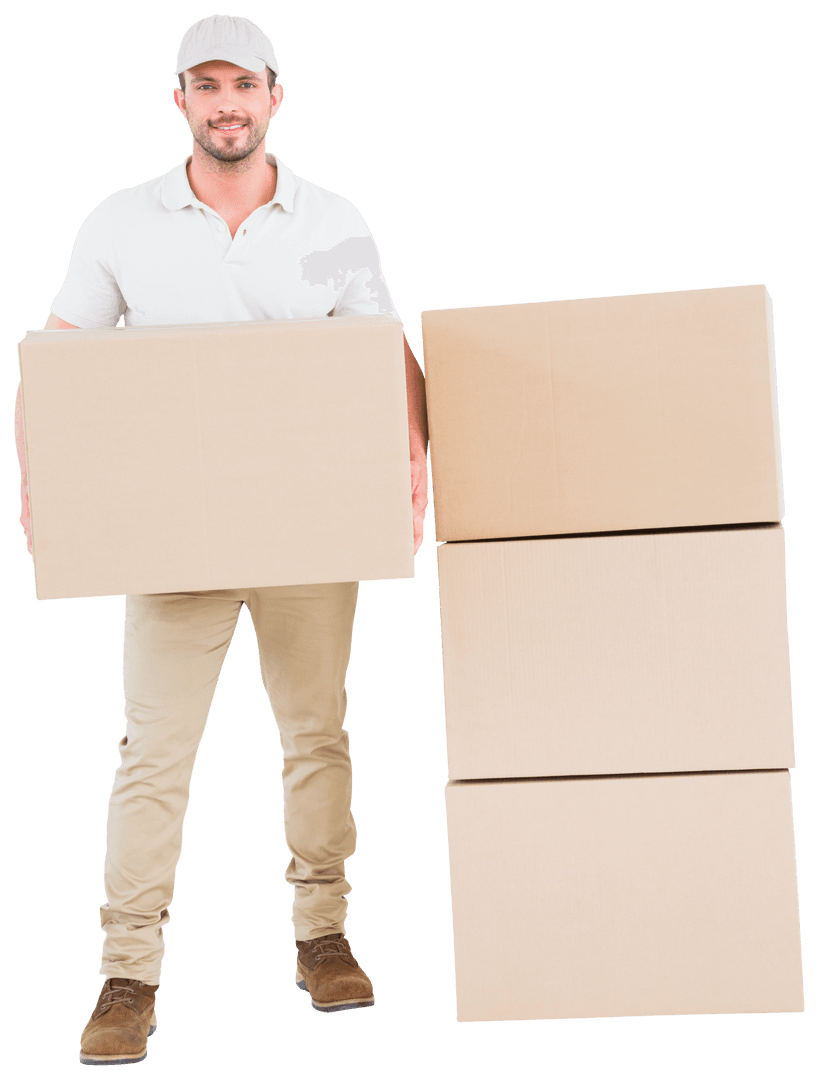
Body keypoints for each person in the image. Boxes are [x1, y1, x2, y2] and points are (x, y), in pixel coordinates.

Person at [13, 12, 429, 1068]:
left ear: (274, 95)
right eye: (206, 86)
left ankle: (322, 932)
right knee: (153, 751)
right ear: (181, 100)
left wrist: (413, 456)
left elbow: (385, 351)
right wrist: (42, 478)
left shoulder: (331, 220)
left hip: (308, 526)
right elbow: (59, 360)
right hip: (173, 535)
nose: (226, 104)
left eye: (243, 85)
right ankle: (128, 972)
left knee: (315, 733)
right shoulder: (123, 222)